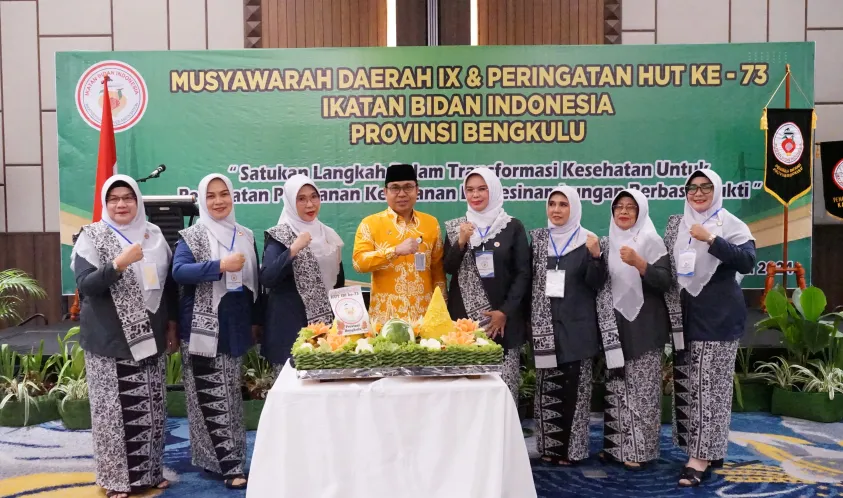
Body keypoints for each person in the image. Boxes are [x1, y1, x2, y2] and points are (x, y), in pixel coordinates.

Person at [71, 175, 177, 498]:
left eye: (128, 197)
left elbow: (169, 287)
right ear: (106, 203)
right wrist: (118, 264)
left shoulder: (154, 235)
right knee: (114, 415)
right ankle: (116, 480)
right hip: (109, 340)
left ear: (138, 201)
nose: (121, 204)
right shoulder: (91, 236)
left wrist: (172, 327)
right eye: (114, 198)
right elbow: (86, 285)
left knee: (150, 409)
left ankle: (149, 473)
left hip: (151, 337)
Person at [664, 169, 756, 487]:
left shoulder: (730, 224)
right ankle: (707, 449)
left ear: (716, 190)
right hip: (685, 318)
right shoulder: (677, 224)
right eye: (692, 187)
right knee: (691, 387)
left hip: (718, 318)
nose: (698, 193)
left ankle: (699, 459)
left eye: (706, 187)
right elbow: (668, 267)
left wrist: (712, 240)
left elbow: (748, 261)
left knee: (710, 391)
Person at [172, 173, 262, 491]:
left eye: (224, 194)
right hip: (203, 327)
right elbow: (179, 272)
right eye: (211, 196)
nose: (219, 201)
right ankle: (230, 465)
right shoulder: (192, 236)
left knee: (231, 396)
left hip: (236, 324)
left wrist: (256, 322)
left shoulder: (245, 234)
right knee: (212, 395)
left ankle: (219, 458)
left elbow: (255, 281)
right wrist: (220, 266)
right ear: (201, 200)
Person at [595, 189, 671, 471]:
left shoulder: (651, 241)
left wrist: (640, 263)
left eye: (631, 207)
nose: (624, 212)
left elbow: (665, 281)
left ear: (641, 212)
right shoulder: (606, 243)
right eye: (619, 207)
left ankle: (641, 450)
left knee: (642, 389)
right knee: (616, 387)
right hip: (614, 324)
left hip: (645, 323)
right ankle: (616, 448)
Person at [530, 186, 605, 466]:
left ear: (574, 208)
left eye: (563, 204)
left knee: (575, 390)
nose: (557, 210)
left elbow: (597, 283)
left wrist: (596, 257)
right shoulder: (539, 241)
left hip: (577, 328)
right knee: (547, 390)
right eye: (552, 204)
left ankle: (572, 451)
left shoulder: (588, 241)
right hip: (545, 327)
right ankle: (548, 448)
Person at [443, 168, 530, 403]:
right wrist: (461, 242)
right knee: (468, 396)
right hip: (465, 325)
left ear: (493, 191)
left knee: (503, 394)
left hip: (503, 323)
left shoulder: (512, 227)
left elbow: (523, 274)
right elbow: (448, 268)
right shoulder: (457, 228)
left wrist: (504, 312)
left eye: (482, 189)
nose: (475, 195)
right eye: (470, 190)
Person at [260, 174, 345, 370]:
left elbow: (338, 282)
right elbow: (267, 277)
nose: (310, 204)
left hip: (325, 330)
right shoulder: (279, 235)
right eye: (301, 199)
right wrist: (293, 249)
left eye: (314, 196)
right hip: (290, 329)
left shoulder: (328, 235)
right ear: (290, 202)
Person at [352, 163, 446, 323]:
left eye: (408, 187)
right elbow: (359, 263)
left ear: (417, 190)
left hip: (424, 318)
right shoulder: (370, 224)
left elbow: (438, 272)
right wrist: (394, 251)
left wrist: (441, 309)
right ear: (385, 192)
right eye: (395, 188)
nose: (402, 194)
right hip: (385, 320)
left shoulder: (431, 224)